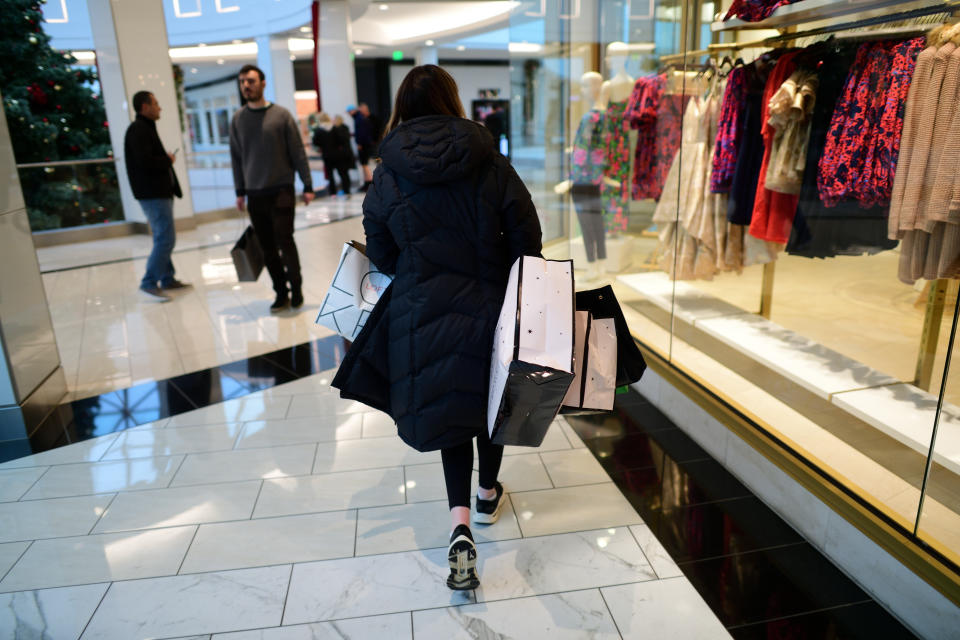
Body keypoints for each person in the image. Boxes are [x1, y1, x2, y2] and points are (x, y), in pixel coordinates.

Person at [333, 65, 542, 591]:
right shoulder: (490, 161)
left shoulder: (389, 172)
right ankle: (488, 495)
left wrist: (417, 268)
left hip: (422, 308)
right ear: (452, 101)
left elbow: (379, 250)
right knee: (490, 399)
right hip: (489, 301)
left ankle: (459, 525)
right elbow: (527, 234)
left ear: (403, 107)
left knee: (451, 408)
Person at [230, 64, 314, 312]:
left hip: (282, 190)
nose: (246, 85)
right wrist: (239, 191)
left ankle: (296, 288)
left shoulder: (282, 115)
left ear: (263, 83)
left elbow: (297, 152)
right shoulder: (238, 119)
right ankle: (281, 292)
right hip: (255, 194)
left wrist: (307, 184)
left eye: (251, 81)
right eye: (243, 81)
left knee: (285, 240)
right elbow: (236, 157)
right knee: (267, 248)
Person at [124, 90, 188, 302]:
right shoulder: (138, 130)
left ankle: (167, 278)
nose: (159, 107)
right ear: (145, 107)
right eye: (156, 103)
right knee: (165, 238)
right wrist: (167, 160)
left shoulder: (145, 128)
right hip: (152, 194)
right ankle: (149, 282)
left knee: (163, 236)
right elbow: (145, 163)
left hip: (158, 192)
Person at [312, 112, 355, 197]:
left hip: (326, 155)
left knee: (330, 175)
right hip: (337, 154)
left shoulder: (318, 130)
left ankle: (333, 193)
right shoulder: (335, 128)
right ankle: (347, 191)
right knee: (342, 173)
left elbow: (315, 142)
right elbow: (341, 140)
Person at [346, 104, 374, 191]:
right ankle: (367, 182)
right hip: (365, 144)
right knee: (364, 164)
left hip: (364, 145)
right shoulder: (360, 118)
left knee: (364, 164)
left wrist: (359, 143)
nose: (349, 114)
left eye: (349, 112)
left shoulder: (359, 118)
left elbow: (362, 133)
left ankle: (369, 182)